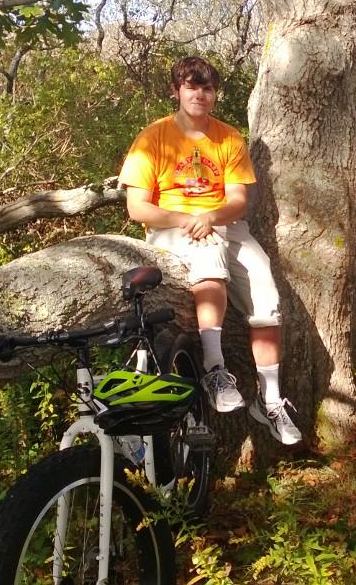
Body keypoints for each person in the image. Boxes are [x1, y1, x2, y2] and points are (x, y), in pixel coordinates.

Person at [118, 56, 302, 445]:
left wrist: (211, 215)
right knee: (209, 258)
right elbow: (138, 208)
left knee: (267, 298)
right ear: (176, 91)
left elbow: (238, 200)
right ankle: (215, 370)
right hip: (173, 227)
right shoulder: (153, 138)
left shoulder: (228, 137)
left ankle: (269, 402)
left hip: (225, 223)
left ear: (214, 94)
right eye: (191, 86)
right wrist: (186, 218)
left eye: (207, 88)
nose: (199, 94)